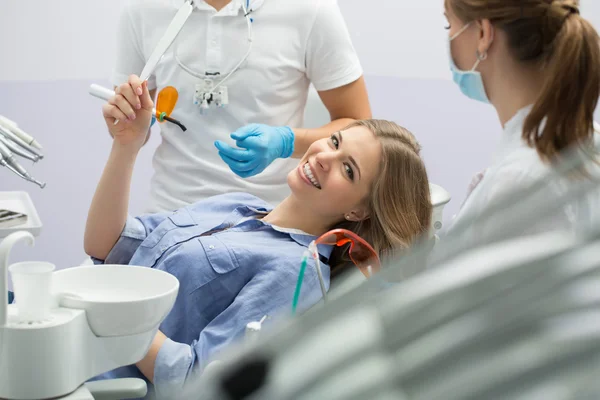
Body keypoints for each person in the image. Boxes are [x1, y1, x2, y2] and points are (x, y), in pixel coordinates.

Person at [85, 76, 432, 397]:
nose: (325, 157)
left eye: (348, 169)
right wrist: (126, 148)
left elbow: (200, 376)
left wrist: (123, 313)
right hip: (82, 349)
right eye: (335, 141)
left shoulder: (298, 272)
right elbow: (108, 246)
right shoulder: (238, 205)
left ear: (358, 212)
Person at [110, 0, 372, 213]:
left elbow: (359, 125)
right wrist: (128, 124)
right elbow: (129, 127)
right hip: (170, 214)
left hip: (271, 218)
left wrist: (287, 141)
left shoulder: (311, 9)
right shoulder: (142, 9)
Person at [443, 0, 600, 244]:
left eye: (448, 24)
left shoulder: (520, 183)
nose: (449, 37)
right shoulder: (586, 140)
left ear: (483, 33)